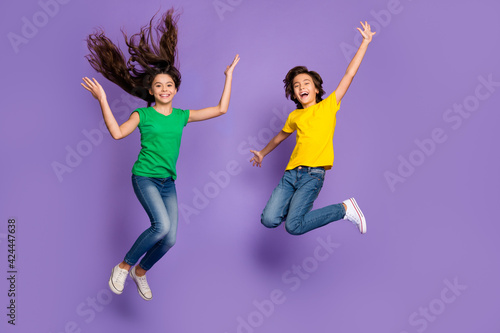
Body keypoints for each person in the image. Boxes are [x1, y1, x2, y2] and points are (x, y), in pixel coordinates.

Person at [81, 9, 240, 301]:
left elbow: (221, 109)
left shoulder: (181, 116)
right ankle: (124, 265)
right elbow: (117, 133)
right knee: (161, 226)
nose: (164, 89)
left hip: (168, 182)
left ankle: (139, 273)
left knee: (170, 239)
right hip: (145, 178)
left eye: (169, 85)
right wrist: (103, 99)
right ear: (151, 91)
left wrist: (228, 76)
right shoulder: (142, 114)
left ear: (176, 90)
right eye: (158, 85)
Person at [250, 21, 374, 236]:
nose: (301, 87)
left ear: (316, 89)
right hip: (290, 174)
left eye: (306, 83)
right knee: (269, 220)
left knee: (293, 227)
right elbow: (279, 137)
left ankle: (344, 209)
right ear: (294, 94)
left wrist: (364, 42)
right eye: (296, 86)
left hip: (312, 175)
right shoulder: (295, 115)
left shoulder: (328, 105)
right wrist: (262, 153)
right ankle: (296, 211)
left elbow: (349, 75)